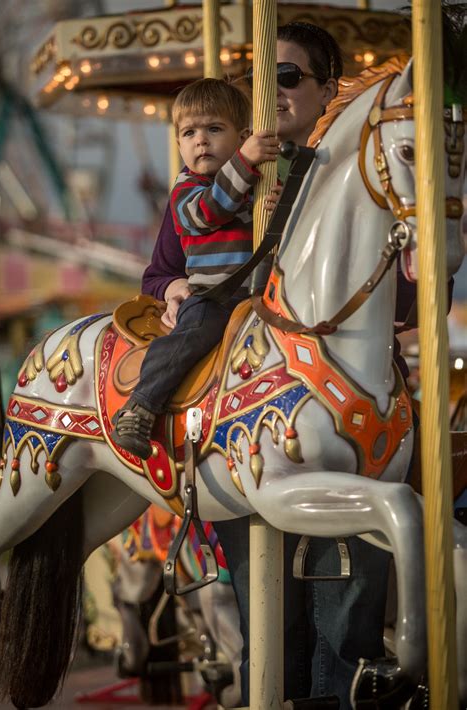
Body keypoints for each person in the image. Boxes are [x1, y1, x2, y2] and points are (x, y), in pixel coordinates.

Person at [140, 22, 420, 709]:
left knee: (345, 604)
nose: (275, 92)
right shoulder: (224, 176)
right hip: (247, 411)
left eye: (289, 77)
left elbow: (404, 291)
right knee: (266, 619)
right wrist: (173, 291)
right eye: (264, 80)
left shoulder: (355, 169)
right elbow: (161, 270)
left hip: (340, 402)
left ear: (328, 89)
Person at [111, 78, 279, 458]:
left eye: (214, 129)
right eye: (190, 132)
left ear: (243, 135)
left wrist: (280, 206)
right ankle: (141, 404)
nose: (201, 140)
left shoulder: (258, 183)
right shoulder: (186, 190)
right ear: (179, 145)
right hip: (214, 297)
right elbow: (209, 211)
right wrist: (246, 161)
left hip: (266, 297)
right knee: (194, 333)